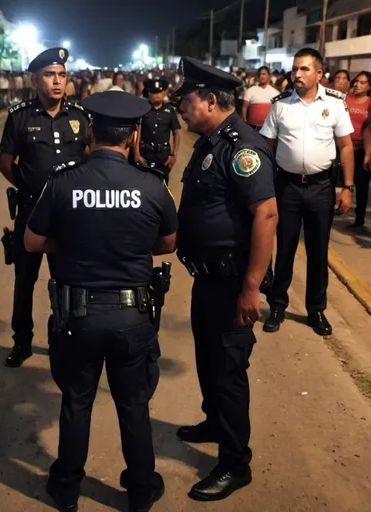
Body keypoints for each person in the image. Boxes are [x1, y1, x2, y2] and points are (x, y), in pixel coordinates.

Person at [25, 89, 177, 512]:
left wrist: (73, 244)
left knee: (76, 402)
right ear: (133, 136)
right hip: (133, 316)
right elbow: (168, 244)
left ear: (90, 131)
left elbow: (33, 241)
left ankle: (67, 488)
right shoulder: (151, 184)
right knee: (134, 406)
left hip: (79, 315)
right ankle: (141, 492)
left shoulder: (63, 181)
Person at [173, 57, 278, 502]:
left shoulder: (242, 148)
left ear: (211, 100)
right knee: (208, 360)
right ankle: (215, 422)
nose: (181, 107)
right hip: (207, 279)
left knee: (229, 371)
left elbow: (266, 213)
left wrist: (252, 286)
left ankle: (236, 462)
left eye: (187, 99)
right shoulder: (210, 140)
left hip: (233, 281)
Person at [0, 47, 90, 368]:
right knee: (25, 280)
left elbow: (90, 157)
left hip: (69, 217)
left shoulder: (79, 116)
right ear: (35, 79)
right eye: (50, 75)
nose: (57, 82)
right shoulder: (19, 116)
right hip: (31, 214)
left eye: (62, 75)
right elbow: (6, 163)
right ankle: (21, 341)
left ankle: (61, 339)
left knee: (66, 281)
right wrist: (28, 187)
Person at [260, 48, 354, 335]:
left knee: (317, 250)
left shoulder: (336, 104)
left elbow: (346, 146)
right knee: (285, 247)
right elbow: (267, 148)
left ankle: (316, 310)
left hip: (321, 187)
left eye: (303, 69)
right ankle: (277, 305)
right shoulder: (280, 105)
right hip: (286, 186)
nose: (297, 74)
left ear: (318, 74)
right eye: (294, 69)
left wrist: (347, 187)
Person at [134, 78, 181, 184]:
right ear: (149, 93)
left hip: (163, 157)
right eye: (153, 92)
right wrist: (137, 153)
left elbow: (176, 133)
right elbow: (138, 131)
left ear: (164, 93)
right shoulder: (143, 108)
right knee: (143, 185)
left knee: (162, 185)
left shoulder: (170, 110)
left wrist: (174, 155)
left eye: (159, 92)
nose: (157, 95)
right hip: (145, 155)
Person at [346, 71, 371, 228]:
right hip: (344, 148)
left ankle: (359, 217)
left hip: (362, 150)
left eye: (362, 82)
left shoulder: (370, 103)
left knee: (362, 185)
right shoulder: (345, 100)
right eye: (356, 81)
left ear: (369, 86)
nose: (357, 85)